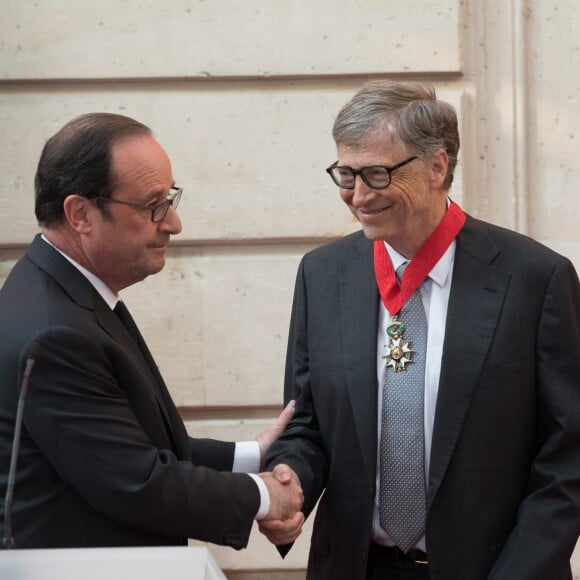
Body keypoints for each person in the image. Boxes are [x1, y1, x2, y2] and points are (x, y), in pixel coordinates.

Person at [261, 80, 580, 579]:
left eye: (379, 174)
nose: (359, 196)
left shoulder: (534, 279)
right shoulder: (323, 275)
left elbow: (567, 457)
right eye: (346, 175)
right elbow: (308, 423)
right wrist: (288, 485)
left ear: (437, 166)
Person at [0, 112, 303, 549]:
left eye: (170, 199)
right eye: (152, 205)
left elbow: (135, 442)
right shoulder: (53, 332)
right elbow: (135, 482)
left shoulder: (64, 295)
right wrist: (263, 495)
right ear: (80, 213)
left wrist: (252, 456)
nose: (173, 223)